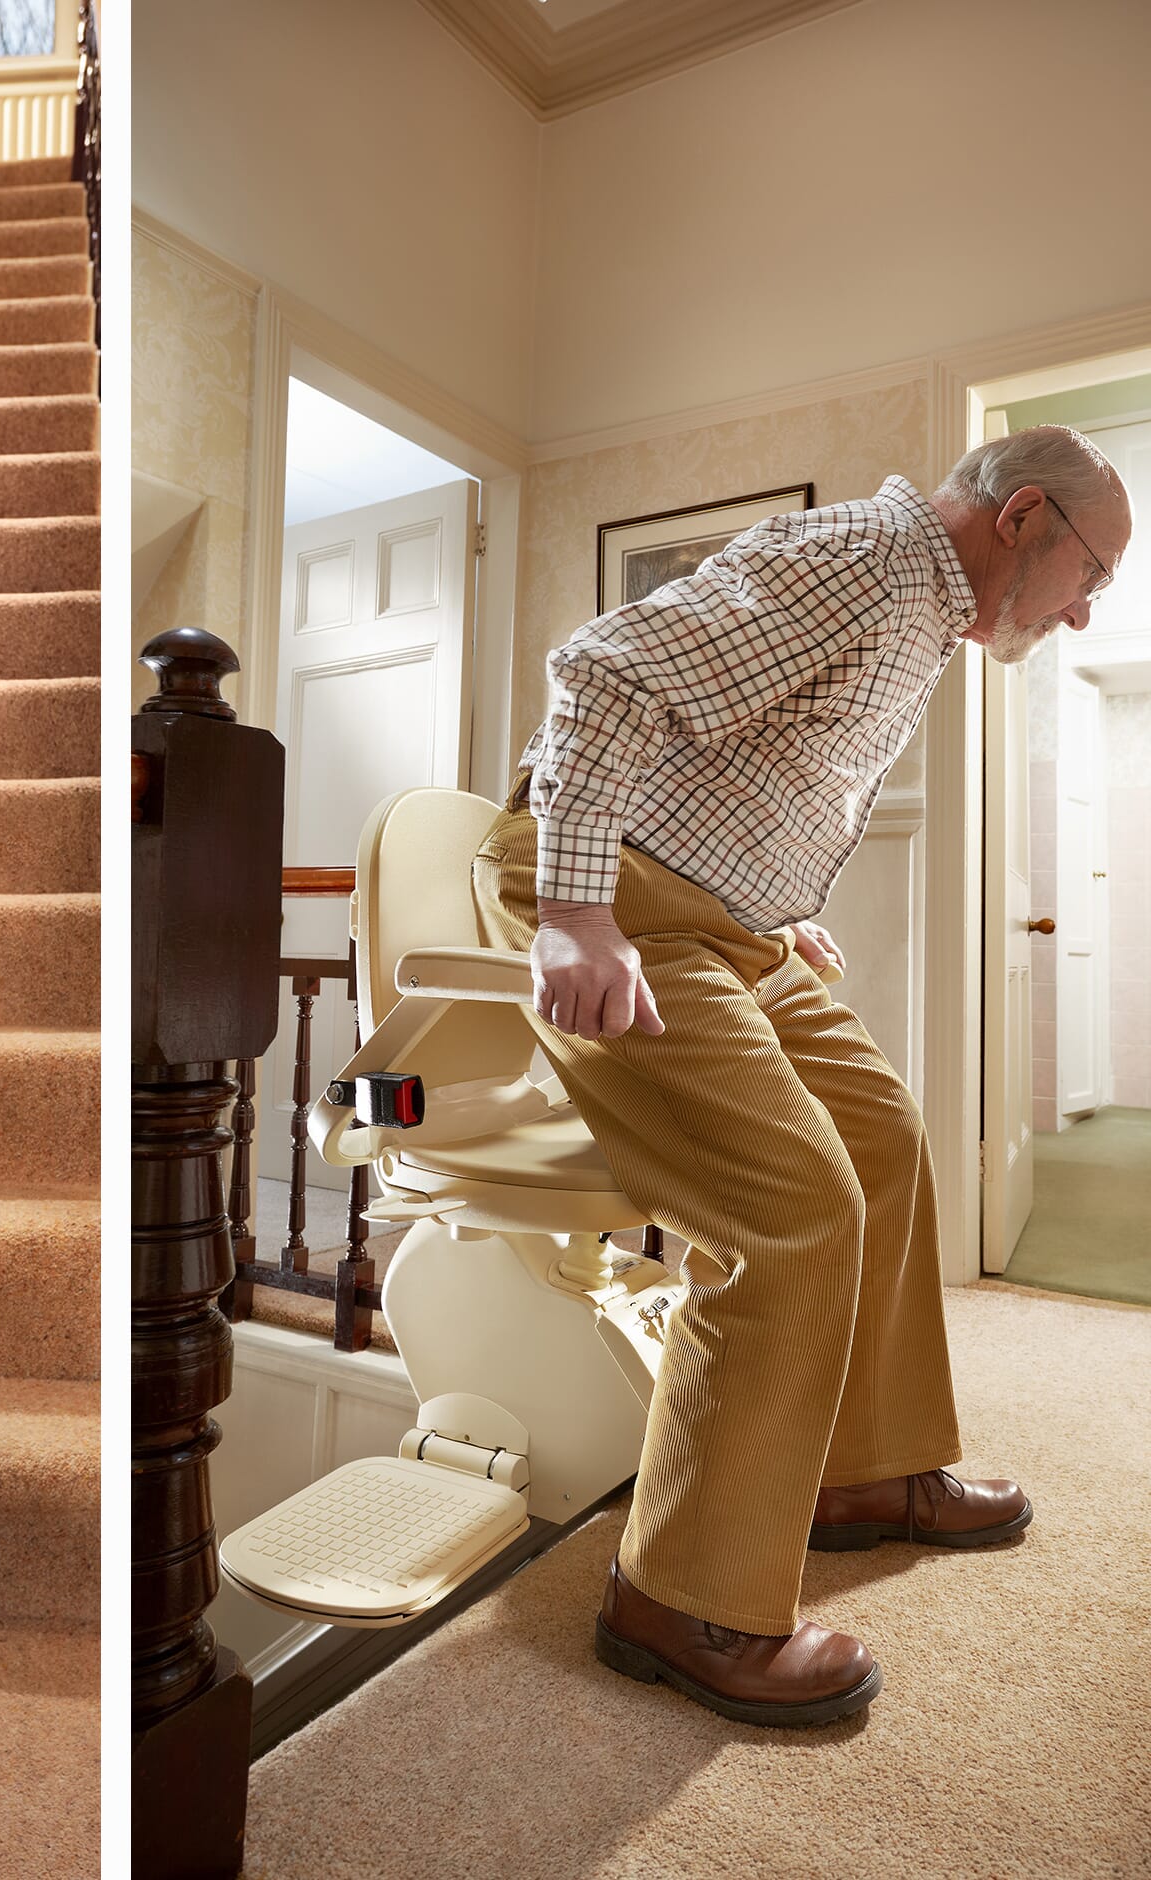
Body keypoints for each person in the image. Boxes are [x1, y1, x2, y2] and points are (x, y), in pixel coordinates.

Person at [472, 426, 1132, 1727]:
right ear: (1027, 518)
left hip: (727, 924)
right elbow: (605, 674)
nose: (1087, 607)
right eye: (1091, 571)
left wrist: (769, 910)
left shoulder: (926, 609)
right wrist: (576, 912)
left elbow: (745, 768)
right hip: (622, 904)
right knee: (793, 1206)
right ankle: (677, 1594)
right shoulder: (864, 560)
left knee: (883, 1137)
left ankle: (861, 1472)